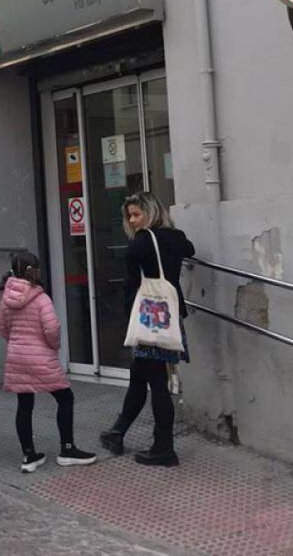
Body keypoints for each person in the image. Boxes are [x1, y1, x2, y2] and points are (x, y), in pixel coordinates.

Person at [100, 191, 195, 467]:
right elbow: (189, 250)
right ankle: (117, 432)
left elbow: (132, 286)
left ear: (150, 212)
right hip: (170, 316)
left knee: (156, 383)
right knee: (140, 377)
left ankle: (164, 448)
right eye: (130, 216)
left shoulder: (142, 241)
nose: (133, 220)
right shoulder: (175, 237)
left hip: (148, 320)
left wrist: (127, 321)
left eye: (137, 214)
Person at [1, 251, 96, 472]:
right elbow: (52, 329)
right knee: (65, 397)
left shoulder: (7, 298)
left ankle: (29, 455)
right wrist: (53, 347)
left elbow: (4, 328)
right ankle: (68, 448)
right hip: (40, 355)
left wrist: (16, 342)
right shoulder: (41, 297)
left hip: (17, 355)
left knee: (24, 404)